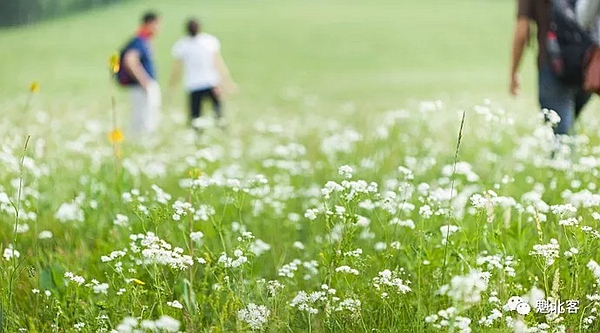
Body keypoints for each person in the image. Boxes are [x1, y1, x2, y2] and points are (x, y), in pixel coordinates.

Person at [510, 0, 591, 136]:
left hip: (552, 65)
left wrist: (514, 72)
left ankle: (565, 153)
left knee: (561, 133)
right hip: (586, 65)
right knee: (568, 128)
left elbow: (522, 31)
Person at [169, 18, 236, 130]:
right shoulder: (209, 41)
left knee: (196, 117)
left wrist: (172, 87)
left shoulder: (182, 45)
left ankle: (198, 137)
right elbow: (218, 63)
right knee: (218, 114)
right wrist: (226, 81)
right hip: (211, 82)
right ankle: (221, 132)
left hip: (194, 85)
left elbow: (176, 70)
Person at [119, 11, 162, 136]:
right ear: (150, 23)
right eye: (157, 24)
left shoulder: (144, 40)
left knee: (145, 116)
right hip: (142, 87)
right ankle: (144, 142)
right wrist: (144, 81)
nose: (159, 28)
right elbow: (130, 60)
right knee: (145, 117)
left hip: (141, 86)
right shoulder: (139, 41)